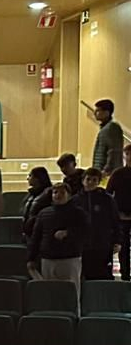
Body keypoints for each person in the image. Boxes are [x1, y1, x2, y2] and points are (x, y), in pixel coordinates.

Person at [26, 182, 87, 290]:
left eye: (62, 192)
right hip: (48, 258)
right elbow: (36, 237)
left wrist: (68, 233)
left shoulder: (78, 213)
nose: (58, 195)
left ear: (69, 195)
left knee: (71, 291)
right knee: (49, 292)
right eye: (55, 192)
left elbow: (84, 232)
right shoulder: (43, 213)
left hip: (70, 258)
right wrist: (31, 258)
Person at [76, 168, 121, 280]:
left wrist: (118, 240)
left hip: (102, 244)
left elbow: (115, 220)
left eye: (94, 180)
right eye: (88, 179)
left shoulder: (106, 199)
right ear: (83, 180)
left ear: (98, 182)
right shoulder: (76, 200)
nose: (91, 182)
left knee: (103, 274)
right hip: (82, 245)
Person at [108, 143, 131, 280]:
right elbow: (109, 193)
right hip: (121, 216)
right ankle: (125, 274)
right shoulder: (118, 174)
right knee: (123, 247)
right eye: (127, 154)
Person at [88, 98, 125, 174]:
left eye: (98, 110)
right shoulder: (105, 128)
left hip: (107, 173)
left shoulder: (112, 127)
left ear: (107, 113)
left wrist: (105, 170)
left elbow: (113, 152)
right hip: (101, 171)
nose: (95, 113)